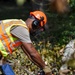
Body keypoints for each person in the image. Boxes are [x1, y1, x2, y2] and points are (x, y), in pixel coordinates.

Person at [0, 10, 51, 75]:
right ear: (36, 23)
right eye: (39, 28)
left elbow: (29, 55)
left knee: (5, 65)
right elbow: (32, 53)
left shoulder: (17, 25)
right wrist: (45, 68)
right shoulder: (22, 29)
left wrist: (42, 68)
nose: (37, 31)